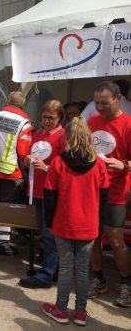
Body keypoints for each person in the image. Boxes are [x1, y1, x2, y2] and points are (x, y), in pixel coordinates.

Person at [41, 117, 109, 326]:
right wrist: (99, 222)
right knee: (81, 270)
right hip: (88, 225)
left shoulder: (58, 162)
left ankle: (61, 309)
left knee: (66, 268)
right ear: (88, 136)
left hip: (64, 223)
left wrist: (49, 221)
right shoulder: (99, 164)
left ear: (68, 136)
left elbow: (49, 195)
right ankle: (80, 312)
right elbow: (104, 197)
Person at [87, 81, 131, 307]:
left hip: (116, 191)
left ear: (118, 99)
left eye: (104, 103)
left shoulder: (128, 124)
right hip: (92, 189)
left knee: (115, 239)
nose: (100, 107)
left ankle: (126, 283)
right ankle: (98, 278)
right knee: (93, 236)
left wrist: (124, 164)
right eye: (96, 103)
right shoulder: (92, 121)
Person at [19, 100, 65, 289]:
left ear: (59, 118)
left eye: (51, 118)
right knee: (45, 233)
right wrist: (27, 160)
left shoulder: (64, 137)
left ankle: (47, 273)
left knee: (49, 234)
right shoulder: (37, 135)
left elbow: (65, 166)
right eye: (44, 117)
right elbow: (26, 161)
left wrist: (46, 167)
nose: (47, 121)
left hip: (52, 191)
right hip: (36, 190)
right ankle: (51, 269)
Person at [0, 91, 32, 256]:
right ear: (22, 105)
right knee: (6, 207)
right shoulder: (24, 123)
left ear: (8, 101)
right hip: (11, 171)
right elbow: (23, 152)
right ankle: (1, 243)